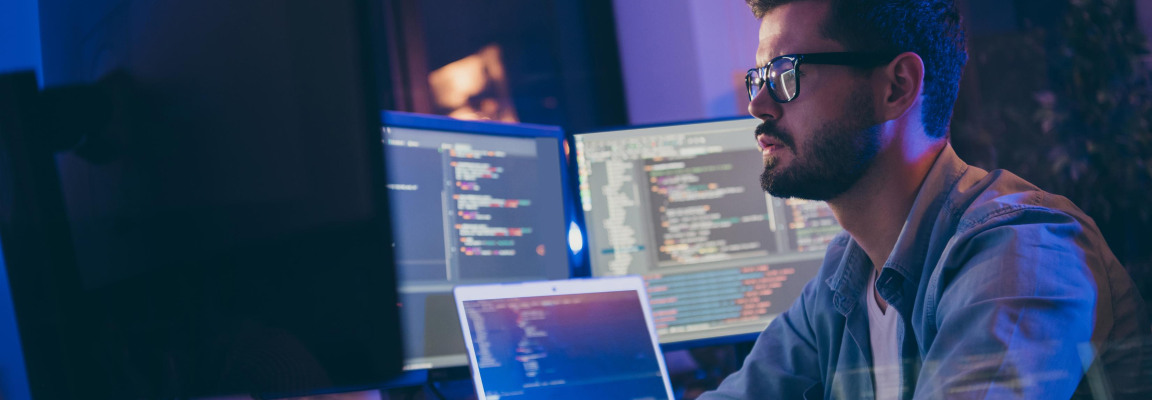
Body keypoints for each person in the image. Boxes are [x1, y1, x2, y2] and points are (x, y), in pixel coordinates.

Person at [698, 0, 1151, 399]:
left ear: (897, 86)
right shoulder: (846, 276)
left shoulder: (1025, 252)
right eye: (760, 77)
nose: (758, 104)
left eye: (784, 74)